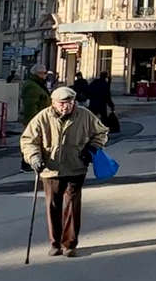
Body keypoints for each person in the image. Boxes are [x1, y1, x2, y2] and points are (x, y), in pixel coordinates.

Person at [19, 86, 109, 258]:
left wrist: (92, 148)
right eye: (62, 103)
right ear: (53, 102)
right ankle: (55, 243)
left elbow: (102, 132)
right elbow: (28, 140)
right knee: (53, 206)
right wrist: (34, 158)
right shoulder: (43, 117)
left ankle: (69, 244)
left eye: (69, 103)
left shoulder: (84, 115)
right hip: (50, 170)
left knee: (72, 205)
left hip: (76, 167)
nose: (66, 107)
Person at [19, 63, 52, 172]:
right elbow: (30, 106)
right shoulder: (32, 86)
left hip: (41, 118)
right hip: (35, 120)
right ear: (37, 74)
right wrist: (32, 122)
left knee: (40, 141)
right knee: (32, 142)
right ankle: (27, 164)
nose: (45, 75)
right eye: (43, 73)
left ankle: (35, 162)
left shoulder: (38, 84)